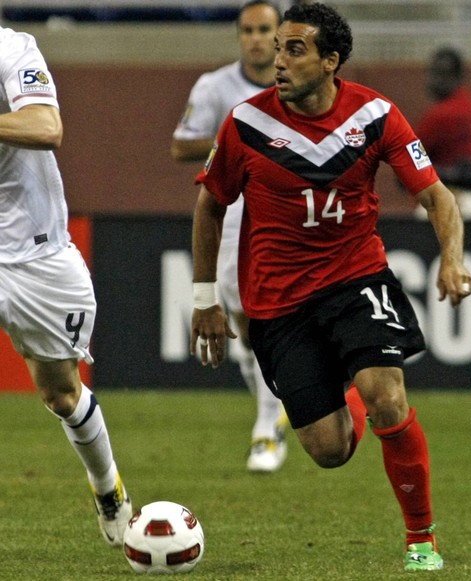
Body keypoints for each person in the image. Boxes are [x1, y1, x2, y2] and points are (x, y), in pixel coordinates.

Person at [190, 2, 471, 572]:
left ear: (330, 60)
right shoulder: (246, 124)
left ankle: (422, 540)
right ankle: (348, 391)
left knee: (388, 397)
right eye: (278, 49)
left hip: (355, 277)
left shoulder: (375, 116)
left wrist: (451, 260)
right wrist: (204, 299)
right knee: (329, 450)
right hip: (277, 301)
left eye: (295, 49)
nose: (279, 61)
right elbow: (209, 206)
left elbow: (438, 196)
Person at [0, 26, 132, 546]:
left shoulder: (13, 49)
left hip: (35, 256)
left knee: (60, 394)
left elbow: (46, 124)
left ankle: (108, 488)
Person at [172, 0, 288, 473]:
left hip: (289, 209)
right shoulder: (216, 86)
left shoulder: (299, 83)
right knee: (239, 315)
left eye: (265, 29)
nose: (256, 38)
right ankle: (272, 409)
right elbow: (181, 145)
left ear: (281, 34)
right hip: (234, 208)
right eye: (248, 30)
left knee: (271, 314)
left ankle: (268, 425)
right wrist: (242, 138)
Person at [416, 46, 471, 192]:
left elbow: (410, 159)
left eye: (439, 74)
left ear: (456, 77)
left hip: (448, 197)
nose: (432, 80)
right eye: (431, 73)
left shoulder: (441, 114)